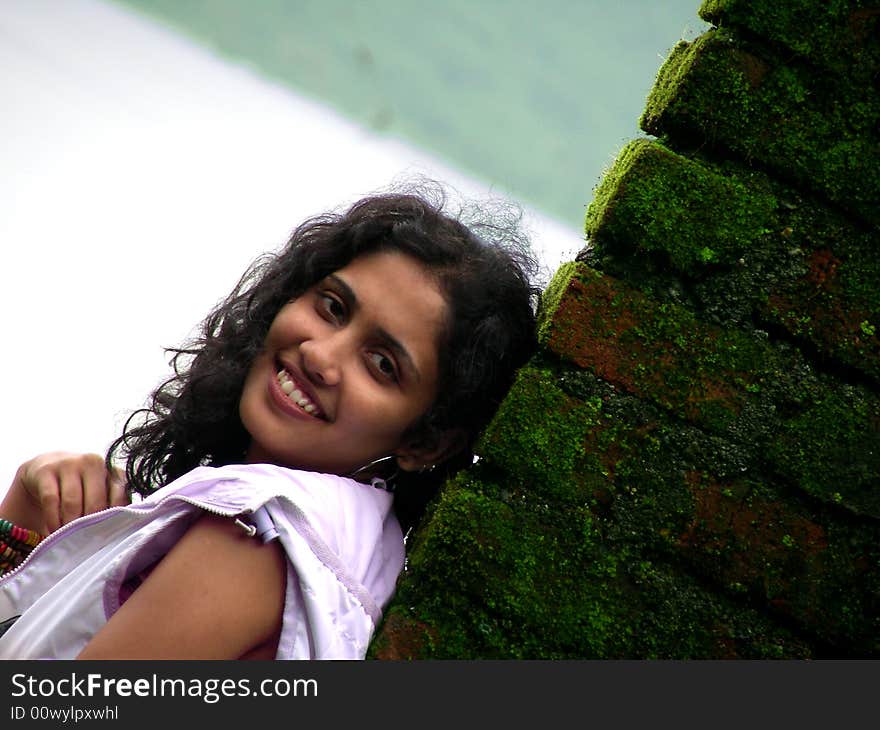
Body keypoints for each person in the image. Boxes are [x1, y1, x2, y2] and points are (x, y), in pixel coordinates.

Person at [0, 186, 540, 659]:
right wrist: (30, 497)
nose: (321, 357)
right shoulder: (356, 547)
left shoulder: (255, 534)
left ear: (426, 440)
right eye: (332, 307)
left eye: (382, 366)